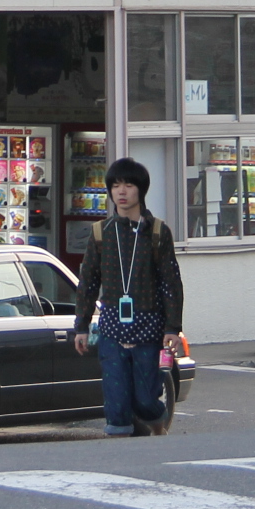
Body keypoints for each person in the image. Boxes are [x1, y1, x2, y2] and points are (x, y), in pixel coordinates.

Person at [71, 158, 184, 436]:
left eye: (129, 185)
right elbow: (88, 281)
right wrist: (81, 325)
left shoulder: (158, 232)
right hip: (112, 327)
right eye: (115, 185)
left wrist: (172, 327)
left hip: (149, 327)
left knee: (146, 399)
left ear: (141, 190)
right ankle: (120, 451)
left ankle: (157, 425)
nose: (121, 191)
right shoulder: (101, 232)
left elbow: (171, 282)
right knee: (116, 404)